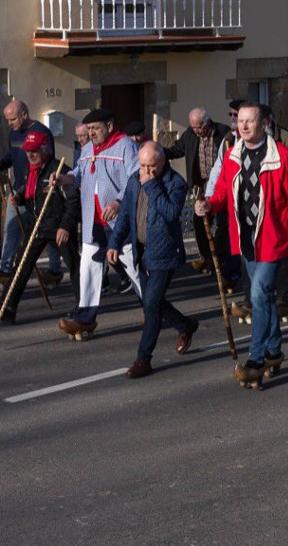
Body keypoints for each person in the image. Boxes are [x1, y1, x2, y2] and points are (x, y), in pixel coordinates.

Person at [195, 103, 288, 388]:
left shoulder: (280, 155)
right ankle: (274, 350)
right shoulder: (234, 154)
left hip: (273, 238)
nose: (243, 126)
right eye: (240, 122)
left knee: (258, 294)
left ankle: (256, 359)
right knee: (265, 298)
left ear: (263, 123)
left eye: (249, 121)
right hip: (245, 238)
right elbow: (222, 191)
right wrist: (208, 204)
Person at [107, 142, 196, 378]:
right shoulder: (135, 180)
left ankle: (143, 359)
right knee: (151, 301)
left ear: (162, 163)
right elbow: (126, 214)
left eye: (151, 166)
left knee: (151, 305)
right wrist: (114, 243)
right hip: (141, 251)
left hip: (165, 253)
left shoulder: (175, 183)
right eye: (143, 165)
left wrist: (153, 186)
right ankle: (185, 325)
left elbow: (170, 214)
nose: (146, 171)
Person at [53, 108, 140, 339]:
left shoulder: (125, 146)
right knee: (88, 267)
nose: (91, 134)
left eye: (95, 129)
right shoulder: (87, 149)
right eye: (88, 129)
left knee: (134, 267)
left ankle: (155, 306)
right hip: (93, 218)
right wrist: (64, 179)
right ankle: (85, 316)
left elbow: (135, 179)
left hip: (118, 221)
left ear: (109, 126)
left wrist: (119, 202)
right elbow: (79, 173)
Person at [0, 134, 79, 324]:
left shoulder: (60, 171)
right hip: (37, 226)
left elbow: (73, 202)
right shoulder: (32, 171)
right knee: (21, 267)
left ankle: (82, 309)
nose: (30, 155)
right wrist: (20, 199)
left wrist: (65, 227)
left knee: (75, 267)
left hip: (59, 228)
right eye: (28, 151)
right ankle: (7, 308)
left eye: (34, 151)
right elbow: (34, 201)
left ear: (45, 148)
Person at [164, 107, 233, 276]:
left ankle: (220, 256)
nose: (196, 131)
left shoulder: (224, 133)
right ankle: (208, 257)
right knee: (200, 223)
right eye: (193, 127)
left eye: (199, 127)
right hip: (200, 187)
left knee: (224, 223)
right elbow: (176, 150)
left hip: (220, 185)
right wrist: (158, 152)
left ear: (207, 122)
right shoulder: (190, 135)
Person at [1, 100, 56, 279]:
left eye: (13, 119)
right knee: (11, 229)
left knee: (46, 231)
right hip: (17, 190)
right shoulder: (14, 134)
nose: (10, 124)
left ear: (24, 114)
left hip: (37, 190)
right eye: (7, 120)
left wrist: (27, 188)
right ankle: (6, 267)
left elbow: (45, 164)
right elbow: (12, 156)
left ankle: (54, 269)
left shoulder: (41, 132)